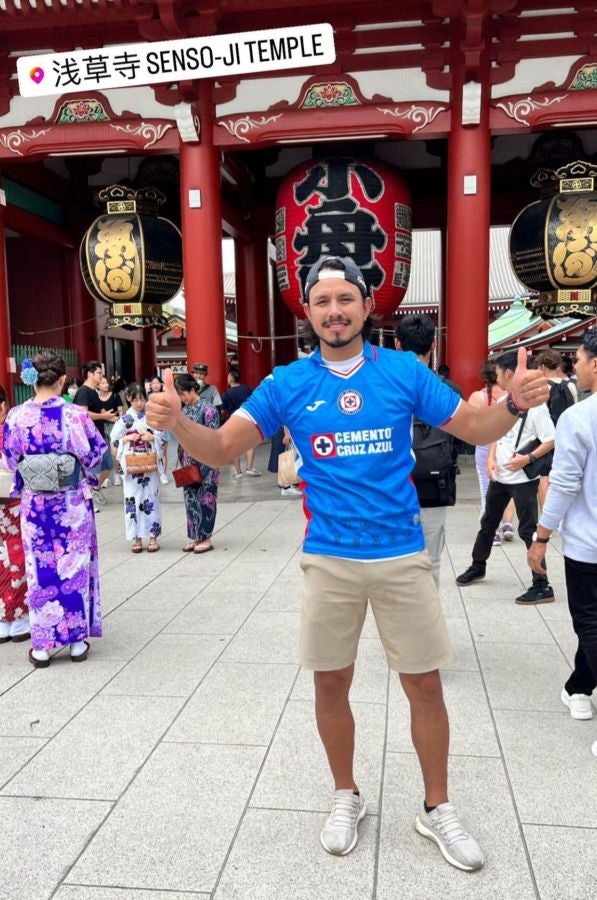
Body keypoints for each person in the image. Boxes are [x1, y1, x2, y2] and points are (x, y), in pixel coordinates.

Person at [147, 254, 551, 872]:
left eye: (345, 300)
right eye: (322, 302)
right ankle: (346, 794)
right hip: (329, 558)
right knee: (330, 682)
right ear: (307, 312)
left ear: (367, 306)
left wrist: (514, 407)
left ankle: (436, 807)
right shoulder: (287, 383)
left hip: (401, 556)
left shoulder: (402, 373)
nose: (334, 312)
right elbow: (224, 448)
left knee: (424, 683)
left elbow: (473, 426)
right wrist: (178, 423)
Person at [3, 351, 105, 667]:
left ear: (33, 380)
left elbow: (9, 459)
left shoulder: (16, 417)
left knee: (41, 571)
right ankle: (75, 643)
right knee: (72, 568)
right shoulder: (75, 415)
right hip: (70, 504)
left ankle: (43, 648)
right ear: (62, 380)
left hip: (35, 507)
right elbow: (94, 455)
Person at [528, 327, 597, 752]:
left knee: (588, 620)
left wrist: (541, 536)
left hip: (589, 544)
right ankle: (578, 687)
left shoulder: (580, 418)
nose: (577, 365)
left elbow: (565, 484)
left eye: (582, 357)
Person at [456, 349, 556, 604]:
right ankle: (478, 565)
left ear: (510, 373)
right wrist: (490, 459)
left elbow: (550, 439)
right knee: (488, 522)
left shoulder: (536, 406)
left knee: (527, 529)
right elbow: (497, 433)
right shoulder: (505, 402)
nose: (496, 376)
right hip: (500, 475)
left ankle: (541, 583)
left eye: (499, 372)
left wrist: (528, 458)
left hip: (522, 478)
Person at [394, 314, 458, 587]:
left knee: (394, 560)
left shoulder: (386, 389)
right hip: (435, 484)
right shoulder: (449, 390)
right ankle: (426, 619)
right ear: (433, 344)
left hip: (393, 487)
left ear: (397, 344)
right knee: (431, 558)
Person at [111, 383, 163, 553]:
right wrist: (127, 439)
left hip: (148, 463)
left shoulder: (151, 417)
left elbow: (161, 435)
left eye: (142, 399)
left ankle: (153, 536)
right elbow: (114, 439)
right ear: (128, 399)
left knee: (151, 498)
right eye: (135, 400)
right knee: (132, 500)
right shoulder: (124, 419)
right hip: (132, 463)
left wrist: (152, 436)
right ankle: (136, 537)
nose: (139, 403)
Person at [467, 360, 515, 546]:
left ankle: (493, 530)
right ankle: (508, 523)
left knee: (486, 488)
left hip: (485, 445)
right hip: (508, 446)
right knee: (509, 485)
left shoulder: (477, 397)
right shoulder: (511, 396)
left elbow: (470, 424)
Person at [174, 374, 220, 553]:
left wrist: (205, 463)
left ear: (192, 390)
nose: (181, 398)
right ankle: (195, 536)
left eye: (182, 394)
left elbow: (213, 439)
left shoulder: (209, 410)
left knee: (205, 499)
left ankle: (206, 537)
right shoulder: (184, 411)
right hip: (188, 461)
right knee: (190, 499)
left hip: (206, 461)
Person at [0, 384, 29, 644]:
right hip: (8, 503)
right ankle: (10, 617)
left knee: (9, 557)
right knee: (10, 558)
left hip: (10, 503)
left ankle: (10, 617)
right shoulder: (12, 428)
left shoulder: (11, 429)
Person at [534, 349, 576, 507]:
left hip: (547, 438)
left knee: (544, 476)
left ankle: (546, 516)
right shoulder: (570, 386)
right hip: (567, 436)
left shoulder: (543, 388)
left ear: (543, 367)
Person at [74, 361, 118, 509]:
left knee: (108, 465)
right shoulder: (84, 392)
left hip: (96, 434)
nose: (102, 375)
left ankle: (95, 489)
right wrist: (104, 416)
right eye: (99, 373)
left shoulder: (93, 392)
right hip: (86, 436)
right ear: (90, 374)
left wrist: (110, 417)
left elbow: (99, 413)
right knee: (89, 469)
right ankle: (87, 499)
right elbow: (83, 413)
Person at [221, 369, 261, 478]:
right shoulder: (247, 389)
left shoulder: (226, 394)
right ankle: (249, 468)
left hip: (233, 421)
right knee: (250, 444)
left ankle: (238, 472)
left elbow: (222, 408)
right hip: (248, 418)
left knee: (234, 447)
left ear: (230, 379)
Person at [98, 374, 124, 487]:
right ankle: (105, 478)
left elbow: (121, 411)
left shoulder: (114, 396)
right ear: (98, 385)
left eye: (107, 383)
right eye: (103, 383)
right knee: (103, 453)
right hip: (100, 427)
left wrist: (119, 420)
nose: (106, 385)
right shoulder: (95, 397)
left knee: (115, 452)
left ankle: (117, 474)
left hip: (114, 426)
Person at [148, 376, 170, 484]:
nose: (155, 385)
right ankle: (155, 472)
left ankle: (163, 474)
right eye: (153, 383)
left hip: (163, 427)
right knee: (153, 452)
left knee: (163, 452)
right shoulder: (147, 397)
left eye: (157, 383)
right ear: (150, 385)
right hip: (151, 428)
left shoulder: (165, 396)